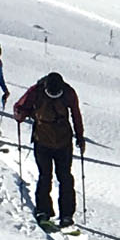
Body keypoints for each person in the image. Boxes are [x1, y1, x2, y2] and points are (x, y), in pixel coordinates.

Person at [11, 70, 86, 229]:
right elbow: (20, 106)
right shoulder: (36, 90)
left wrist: (80, 136)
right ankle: (47, 211)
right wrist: (19, 113)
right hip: (47, 141)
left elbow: (76, 114)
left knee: (61, 176)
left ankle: (62, 215)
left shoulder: (68, 92)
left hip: (55, 141)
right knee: (49, 176)